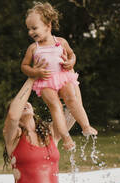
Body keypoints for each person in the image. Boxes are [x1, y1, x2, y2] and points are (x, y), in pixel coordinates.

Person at [21, 2, 97, 150]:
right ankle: (66, 138)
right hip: (45, 82)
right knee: (56, 107)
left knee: (72, 99)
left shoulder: (61, 42)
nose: (30, 32)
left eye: (34, 28)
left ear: (48, 26)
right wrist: (35, 72)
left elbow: (71, 54)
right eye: (28, 29)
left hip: (63, 77)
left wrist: (70, 62)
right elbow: (24, 66)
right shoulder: (33, 48)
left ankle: (86, 126)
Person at [3, 77, 75, 183]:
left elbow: (73, 111)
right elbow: (13, 116)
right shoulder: (13, 137)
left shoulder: (51, 133)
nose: (25, 104)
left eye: (27, 103)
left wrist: (67, 81)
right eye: (21, 104)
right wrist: (32, 77)